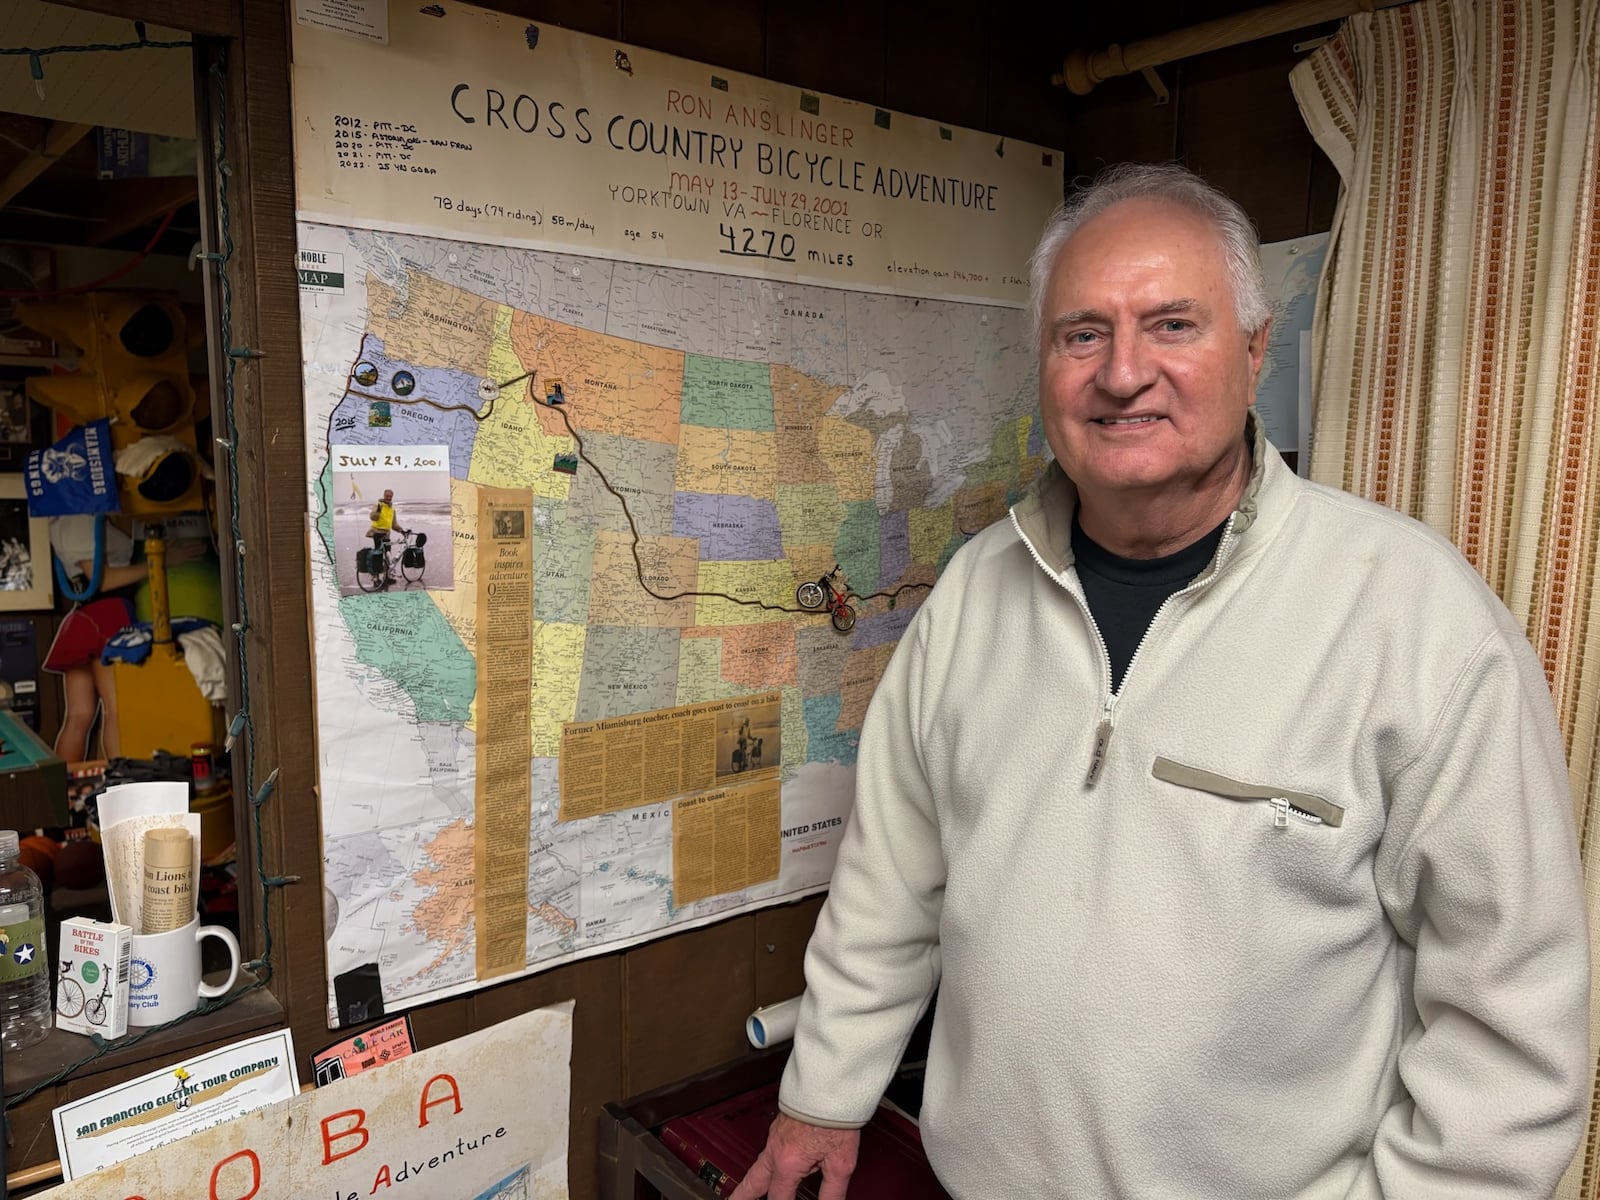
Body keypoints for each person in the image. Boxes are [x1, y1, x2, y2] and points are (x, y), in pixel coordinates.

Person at [732, 163, 1590, 1200]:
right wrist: (821, 1096)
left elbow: (1509, 1021)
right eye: (1081, 333)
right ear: (1044, 363)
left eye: (1173, 324)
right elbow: (888, 884)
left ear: (1253, 348)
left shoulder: (1418, 624)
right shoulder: (971, 598)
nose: (1122, 372)